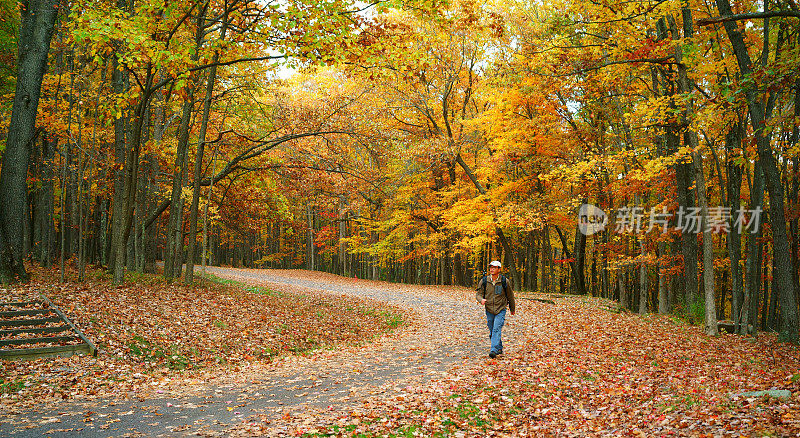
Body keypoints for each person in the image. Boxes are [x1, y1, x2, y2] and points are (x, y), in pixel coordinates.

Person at [476, 260, 515, 359]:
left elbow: (510, 296)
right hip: (489, 309)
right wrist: (481, 300)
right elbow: (478, 294)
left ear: (499, 269)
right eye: (491, 267)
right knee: (492, 329)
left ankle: (493, 349)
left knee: (496, 328)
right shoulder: (484, 280)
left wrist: (512, 308)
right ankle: (499, 347)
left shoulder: (504, 281)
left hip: (501, 308)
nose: (492, 269)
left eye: (494, 267)